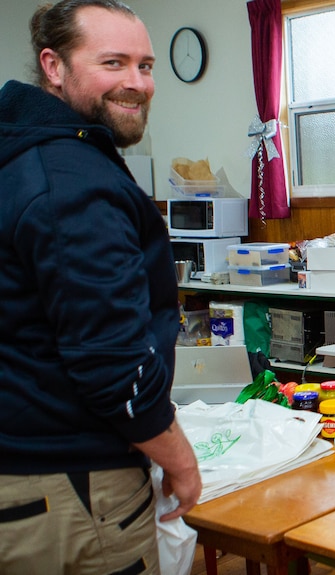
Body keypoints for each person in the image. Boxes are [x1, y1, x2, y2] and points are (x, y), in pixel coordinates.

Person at [0, 1, 201, 573]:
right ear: (53, 66)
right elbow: (112, 362)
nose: (137, 84)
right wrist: (180, 462)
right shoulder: (70, 181)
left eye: (145, 65)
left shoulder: (25, 152)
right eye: (113, 63)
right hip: (70, 484)